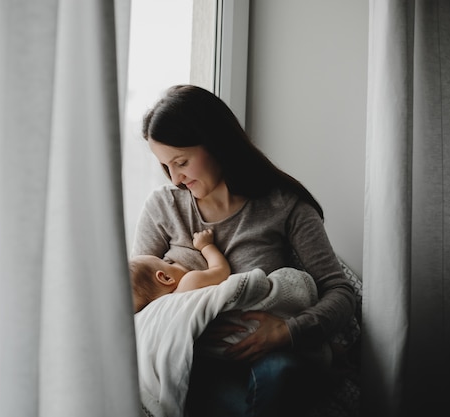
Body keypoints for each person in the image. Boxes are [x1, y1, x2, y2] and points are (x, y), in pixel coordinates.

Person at [130, 84, 357, 417]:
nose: (176, 179)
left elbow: (341, 293)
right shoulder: (164, 207)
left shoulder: (285, 206)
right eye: (167, 167)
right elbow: (138, 304)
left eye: (181, 162)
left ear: (216, 143)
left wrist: (287, 332)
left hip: (268, 357)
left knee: (280, 373)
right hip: (192, 360)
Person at [130, 229, 230, 313]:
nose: (168, 260)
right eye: (165, 262)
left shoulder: (168, 311)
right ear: (166, 278)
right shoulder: (189, 282)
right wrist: (206, 246)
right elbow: (221, 270)